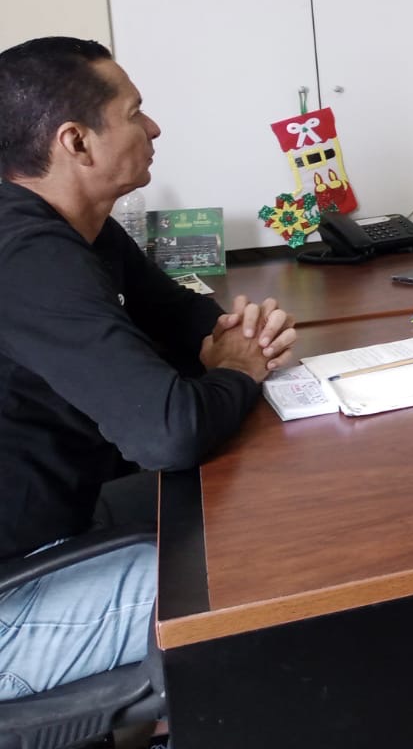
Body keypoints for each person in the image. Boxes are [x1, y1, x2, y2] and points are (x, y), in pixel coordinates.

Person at [0, 37, 296, 699]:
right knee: (263, 576)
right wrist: (239, 371)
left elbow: (179, 317)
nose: (154, 127)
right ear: (76, 142)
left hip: (55, 528)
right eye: (135, 112)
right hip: (13, 599)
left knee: (259, 514)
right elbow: (168, 433)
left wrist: (231, 342)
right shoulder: (27, 257)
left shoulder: (80, 228)